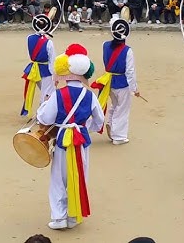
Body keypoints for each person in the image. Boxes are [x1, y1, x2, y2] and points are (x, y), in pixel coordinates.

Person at [36, 43, 104, 230]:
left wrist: (47, 104)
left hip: (62, 140)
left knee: (59, 178)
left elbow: (44, 117)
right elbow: (99, 121)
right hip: (81, 141)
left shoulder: (58, 95)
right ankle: (74, 217)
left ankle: (59, 218)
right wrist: (83, 128)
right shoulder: (90, 96)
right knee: (79, 176)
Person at [92, 17, 140, 145]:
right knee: (122, 108)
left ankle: (111, 124)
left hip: (109, 81)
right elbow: (130, 72)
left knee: (115, 104)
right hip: (121, 82)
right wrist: (134, 89)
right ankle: (118, 136)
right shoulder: (128, 51)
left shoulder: (105, 45)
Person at [20, 13, 56, 116]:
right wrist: (54, 74)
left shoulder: (29, 38)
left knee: (44, 92)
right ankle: (42, 115)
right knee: (46, 93)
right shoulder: (49, 42)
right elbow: (52, 59)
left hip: (33, 69)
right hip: (45, 70)